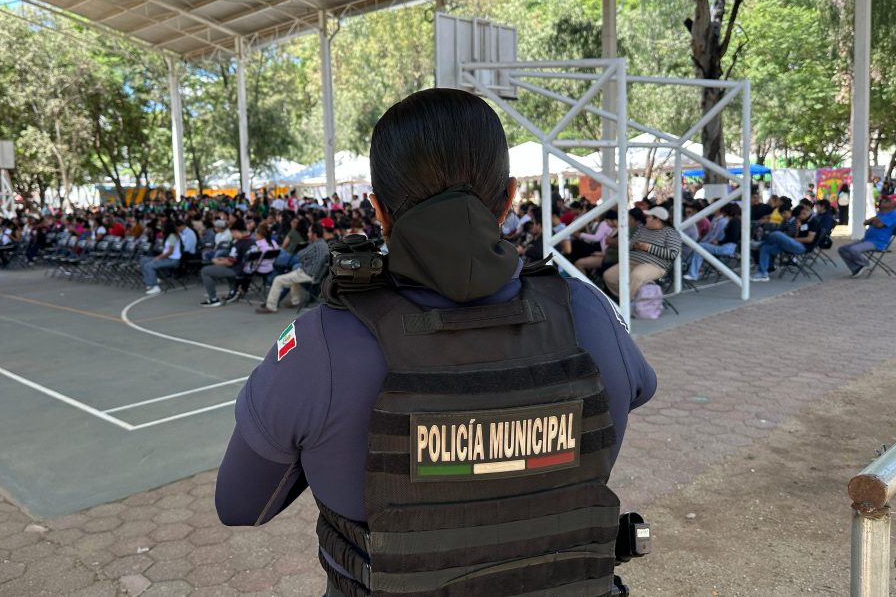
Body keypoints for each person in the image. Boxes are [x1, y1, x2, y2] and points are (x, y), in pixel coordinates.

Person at [215, 88, 657, 596]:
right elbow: (640, 388)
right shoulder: (588, 312)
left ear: (379, 210)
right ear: (509, 198)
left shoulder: (322, 344)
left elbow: (240, 505)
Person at [603, 206, 681, 299]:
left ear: (657, 219)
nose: (646, 219)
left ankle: (626, 304)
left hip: (655, 265)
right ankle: (628, 299)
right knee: (609, 276)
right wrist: (635, 245)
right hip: (632, 262)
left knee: (637, 276)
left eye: (648, 217)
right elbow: (629, 245)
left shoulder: (671, 233)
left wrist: (649, 248)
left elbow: (672, 254)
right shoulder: (642, 229)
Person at [255, 222, 332, 314]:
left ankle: (271, 306)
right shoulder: (324, 244)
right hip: (316, 275)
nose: (307, 234)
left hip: (308, 274)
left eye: (309, 232)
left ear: (314, 234)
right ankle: (295, 301)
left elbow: (300, 255)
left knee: (278, 280)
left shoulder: (315, 245)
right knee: (294, 273)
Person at [751, 204, 819, 282]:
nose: (798, 219)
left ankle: (760, 244)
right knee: (765, 248)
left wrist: (794, 239)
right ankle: (762, 273)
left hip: (803, 247)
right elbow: (797, 235)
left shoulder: (813, 222)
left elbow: (809, 239)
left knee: (776, 234)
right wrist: (797, 228)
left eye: (799, 217)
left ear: (803, 213)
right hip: (794, 243)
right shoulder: (802, 221)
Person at [199, 218, 253, 307]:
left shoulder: (238, 244)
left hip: (238, 271)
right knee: (224, 267)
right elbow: (235, 259)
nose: (232, 235)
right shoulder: (252, 242)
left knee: (205, 271)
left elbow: (230, 263)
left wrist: (217, 261)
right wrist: (224, 259)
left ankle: (213, 299)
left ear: (236, 231)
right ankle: (233, 290)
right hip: (249, 270)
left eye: (232, 233)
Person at [838, 195, 896, 277]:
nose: (884, 201)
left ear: (894, 204)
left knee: (853, 250)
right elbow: (865, 222)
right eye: (883, 200)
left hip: (878, 242)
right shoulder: (880, 213)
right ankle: (856, 268)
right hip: (866, 240)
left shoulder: (893, 214)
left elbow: (879, 224)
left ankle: (865, 263)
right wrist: (873, 221)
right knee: (842, 249)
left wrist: (872, 221)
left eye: (887, 200)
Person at [684, 203, 742, 280]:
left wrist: (719, 242)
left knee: (699, 246)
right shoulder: (734, 221)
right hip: (728, 246)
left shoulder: (733, 222)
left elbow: (732, 238)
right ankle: (694, 272)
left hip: (726, 247)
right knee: (700, 246)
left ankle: (693, 273)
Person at [140, 220, 181, 295]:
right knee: (143, 260)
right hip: (166, 257)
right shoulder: (168, 235)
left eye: (163, 227)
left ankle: (155, 286)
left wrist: (158, 257)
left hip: (172, 260)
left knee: (149, 265)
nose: (161, 228)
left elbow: (170, 252)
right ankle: (150, 280)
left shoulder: (172, 236)